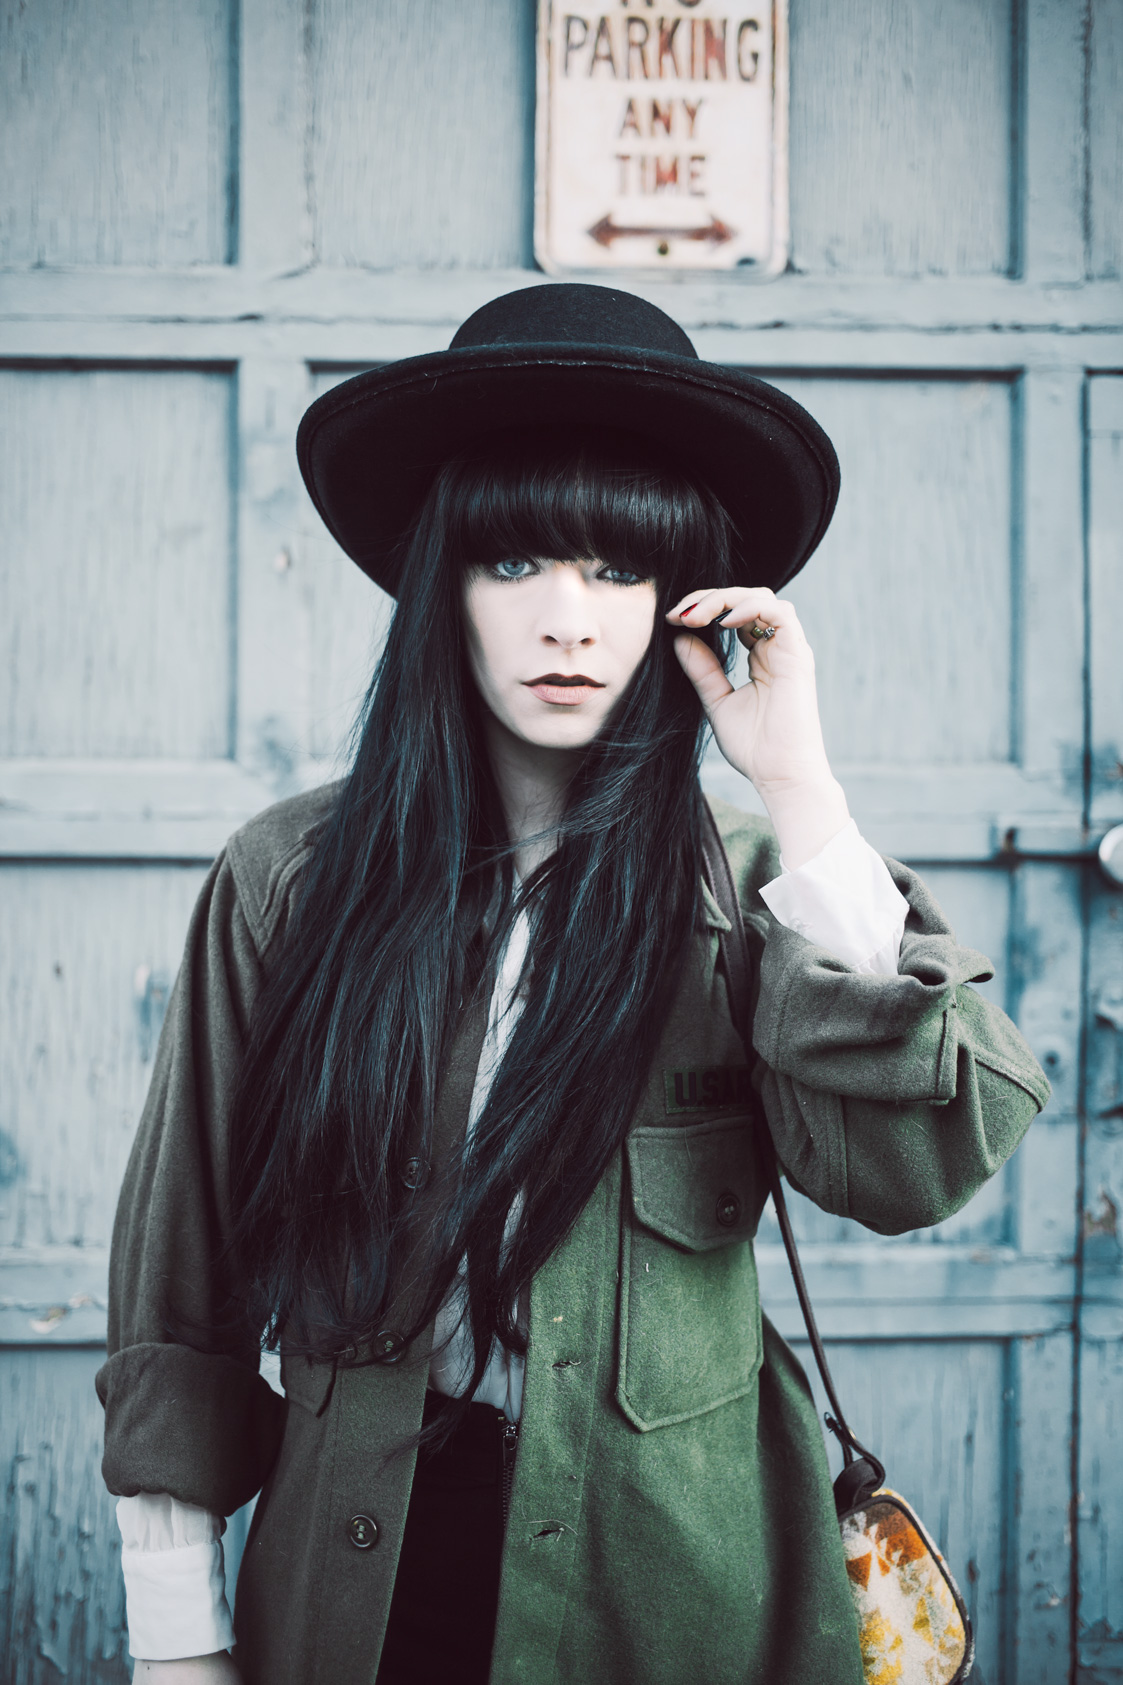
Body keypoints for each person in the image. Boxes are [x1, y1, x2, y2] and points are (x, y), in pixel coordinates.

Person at [97, 283, 1049, 1685]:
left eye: (618, 570)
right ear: (443, 585)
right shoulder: (288, 879)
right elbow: (180, 1274)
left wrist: (799, 782)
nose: (567, 621)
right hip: (360, 1584)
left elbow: (914, 1169)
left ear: (683, 602)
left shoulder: (763, 886)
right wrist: (178, 1640)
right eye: (514, 561)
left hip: (677, 1589)